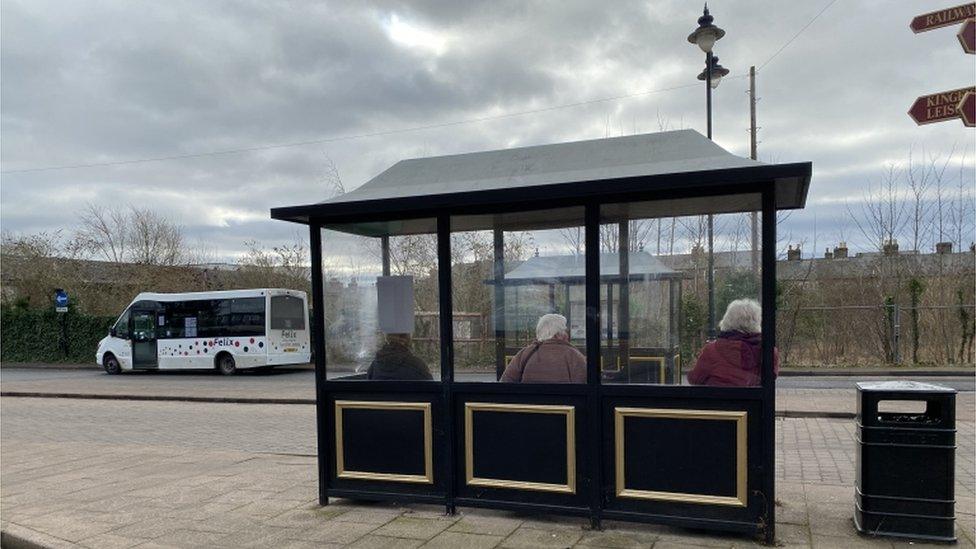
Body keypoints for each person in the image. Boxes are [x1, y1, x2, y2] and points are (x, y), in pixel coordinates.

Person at [688, 299, 779, 387]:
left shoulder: (711, 351)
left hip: (717, 402)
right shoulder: (769, 352)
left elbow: (695, 380)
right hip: (753, 403)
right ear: (757, 322)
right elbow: (770, 380)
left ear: (727, 320)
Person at [501, 313, 586, 383]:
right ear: (559, 334)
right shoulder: (574, 356)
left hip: (530, 403)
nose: (567, 334)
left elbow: (505, 383)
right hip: (566, 403)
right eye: (566, 331)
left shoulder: (525, 354)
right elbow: (586, 387)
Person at [367, 333, 433, 380]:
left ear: (387, 338)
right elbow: (432, 393)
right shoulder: (417, 366)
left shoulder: (374, 366)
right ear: (407, 338)